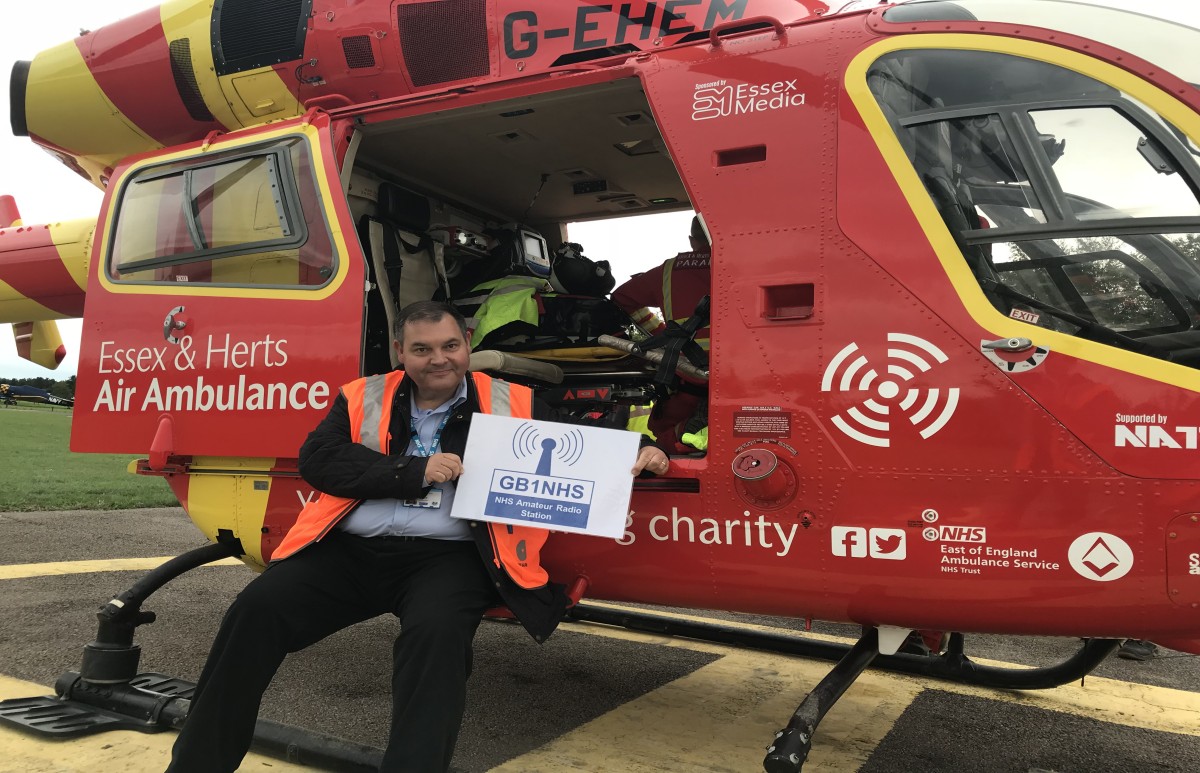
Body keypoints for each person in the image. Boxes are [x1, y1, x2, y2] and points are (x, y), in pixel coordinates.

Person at [167, 301, 669, 773]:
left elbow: (580, 435)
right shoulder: (362, 395)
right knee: (254, 610)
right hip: (349, 552)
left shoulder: (510, 399)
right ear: (400, 352)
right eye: (422, 349)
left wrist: (641, 448)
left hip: (448, 558)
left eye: (450, 346)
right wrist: (413, 471)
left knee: (436, 638)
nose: (439, 359)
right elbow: (320, 461)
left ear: (467, 344)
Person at [611, 215, 711, 452]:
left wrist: (665, 333)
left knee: (665, 432)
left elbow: (622, 297)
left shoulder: (668, 271)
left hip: (691, 373)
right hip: (747, 372)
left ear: (692, 241)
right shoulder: (750, 263)